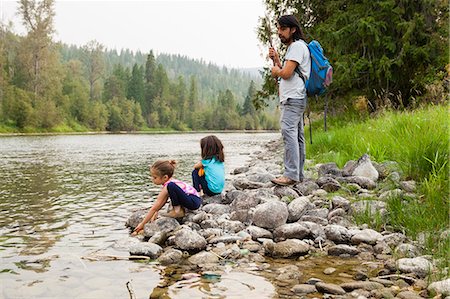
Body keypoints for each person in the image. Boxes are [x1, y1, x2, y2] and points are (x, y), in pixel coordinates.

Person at [269, 14, 311, 186]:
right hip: (297, 97)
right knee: (298, 136)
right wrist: (277, 60)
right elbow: (289, 71)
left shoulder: (296, 47)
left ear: (293, 30)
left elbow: (285, 74)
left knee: (289, 134)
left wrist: (275, 70)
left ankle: (291, 175)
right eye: (278, 29)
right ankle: (298, 174)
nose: (280, 32)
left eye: (283, 29)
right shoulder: (297, 47)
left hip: (293, 98)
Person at [132, 160, 202, 235]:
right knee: (171, 187)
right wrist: (156, 212)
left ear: (165, 177)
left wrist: (142, 224)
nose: (152, 179)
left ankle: (177, 211)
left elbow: (155, 206)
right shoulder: (171, 182)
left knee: (171, 186)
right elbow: (161, 203)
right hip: (194, 200)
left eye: (155, 177)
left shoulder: (169, 185)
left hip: (193, 202)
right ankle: (178, 210)